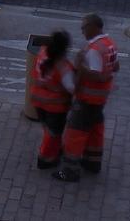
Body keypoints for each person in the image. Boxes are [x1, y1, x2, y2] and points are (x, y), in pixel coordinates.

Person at [54, 14, 119, 183]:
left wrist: (80, 66)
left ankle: (70, 171)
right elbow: (116, 67)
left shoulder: (95, 50)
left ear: (93, 27)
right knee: (95, 131)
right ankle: (92, 162)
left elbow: (97, 76)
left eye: (84, 28)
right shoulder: (109, 44)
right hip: (100, 100)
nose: (82, 31)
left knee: (74, 134)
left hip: (88, 100)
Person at [29, 30, 75, 170]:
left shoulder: (43, 52)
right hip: (55, 107)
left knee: (48, 131)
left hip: (38, 102)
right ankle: (46, 159)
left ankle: (52, 152)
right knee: (53, 134)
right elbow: (72, 88)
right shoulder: (63, 67)